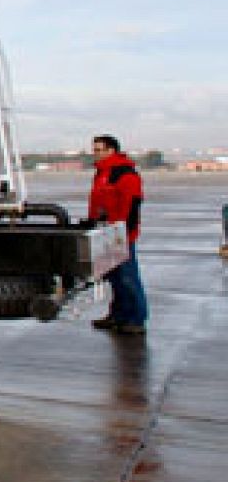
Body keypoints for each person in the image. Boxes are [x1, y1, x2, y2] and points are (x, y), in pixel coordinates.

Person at [89, 134, 147, 335]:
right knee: (114, 277)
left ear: (110, 150)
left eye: (98, 149)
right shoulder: (102, 173)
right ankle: (118, 315)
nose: (94, 153)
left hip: (121, 234)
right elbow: (97, 203)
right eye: (94, 149)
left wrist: (126, 233)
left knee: (128, 277)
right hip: (105, 232)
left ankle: (136, 319)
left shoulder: (124, 174)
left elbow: (132, 205)